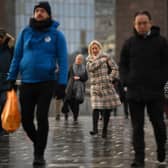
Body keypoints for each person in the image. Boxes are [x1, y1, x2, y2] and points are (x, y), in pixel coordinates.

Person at [7, 1, 68, 166]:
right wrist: (11, 78)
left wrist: (62, 84)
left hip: (46, 82)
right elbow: (17, 56)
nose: (39, 13)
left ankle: (39, 154)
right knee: (26, 120)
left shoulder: (57, 35)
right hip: (26, 82)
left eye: (42, 11)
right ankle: (38, 143)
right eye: (37, 11)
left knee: (41, 117)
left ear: (48, 14)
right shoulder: (25, 32)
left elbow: (63, 61)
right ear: (34, 14)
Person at [119, 11, 168, 167]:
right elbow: (123, 65)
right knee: (137, 128)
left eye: (144, 22)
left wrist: (161, 81)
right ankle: (139, 159)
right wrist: (126, 81)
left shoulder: (161, 42)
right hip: (134, 92)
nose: (141, 25)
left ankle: (161, 148)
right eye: (138, 23)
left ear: (150, 23)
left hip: (155, 92)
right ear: (134, 25)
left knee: (159, 125)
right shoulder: (128, 43)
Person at [86, 40, 121, 138]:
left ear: (99, 48)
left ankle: (105, 129)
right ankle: (95, 129)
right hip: (95, 87)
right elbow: (91, 68)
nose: (94, 50)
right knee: (95, 107)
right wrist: (101, 60)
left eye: (96, 48)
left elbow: (115, 68)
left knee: (106, 109)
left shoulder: (107, 57)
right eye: (92, 48)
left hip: (106, 86)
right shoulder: (89, 59)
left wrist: (110, 78)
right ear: (90, 50)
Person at [62, 54, 88, 123]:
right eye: (77, 59)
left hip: (79, 89)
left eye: (80, 59)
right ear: (75, 59)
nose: (78, 60)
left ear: (82, 60)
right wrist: (65, 86)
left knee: (76, 103)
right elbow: (68, 77)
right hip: (70, 87)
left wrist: (79, 78)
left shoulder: (84, 68)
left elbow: (86, 78)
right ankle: (66, 114)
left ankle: (75, 117)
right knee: (67, 101)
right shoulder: (71, 67)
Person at [0, 28, 15, 136]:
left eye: (1, 37)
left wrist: (6, 34)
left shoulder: (9, 49)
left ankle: (3, 128)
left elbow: (12, 39)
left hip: (6, 84)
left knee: (4, 106)